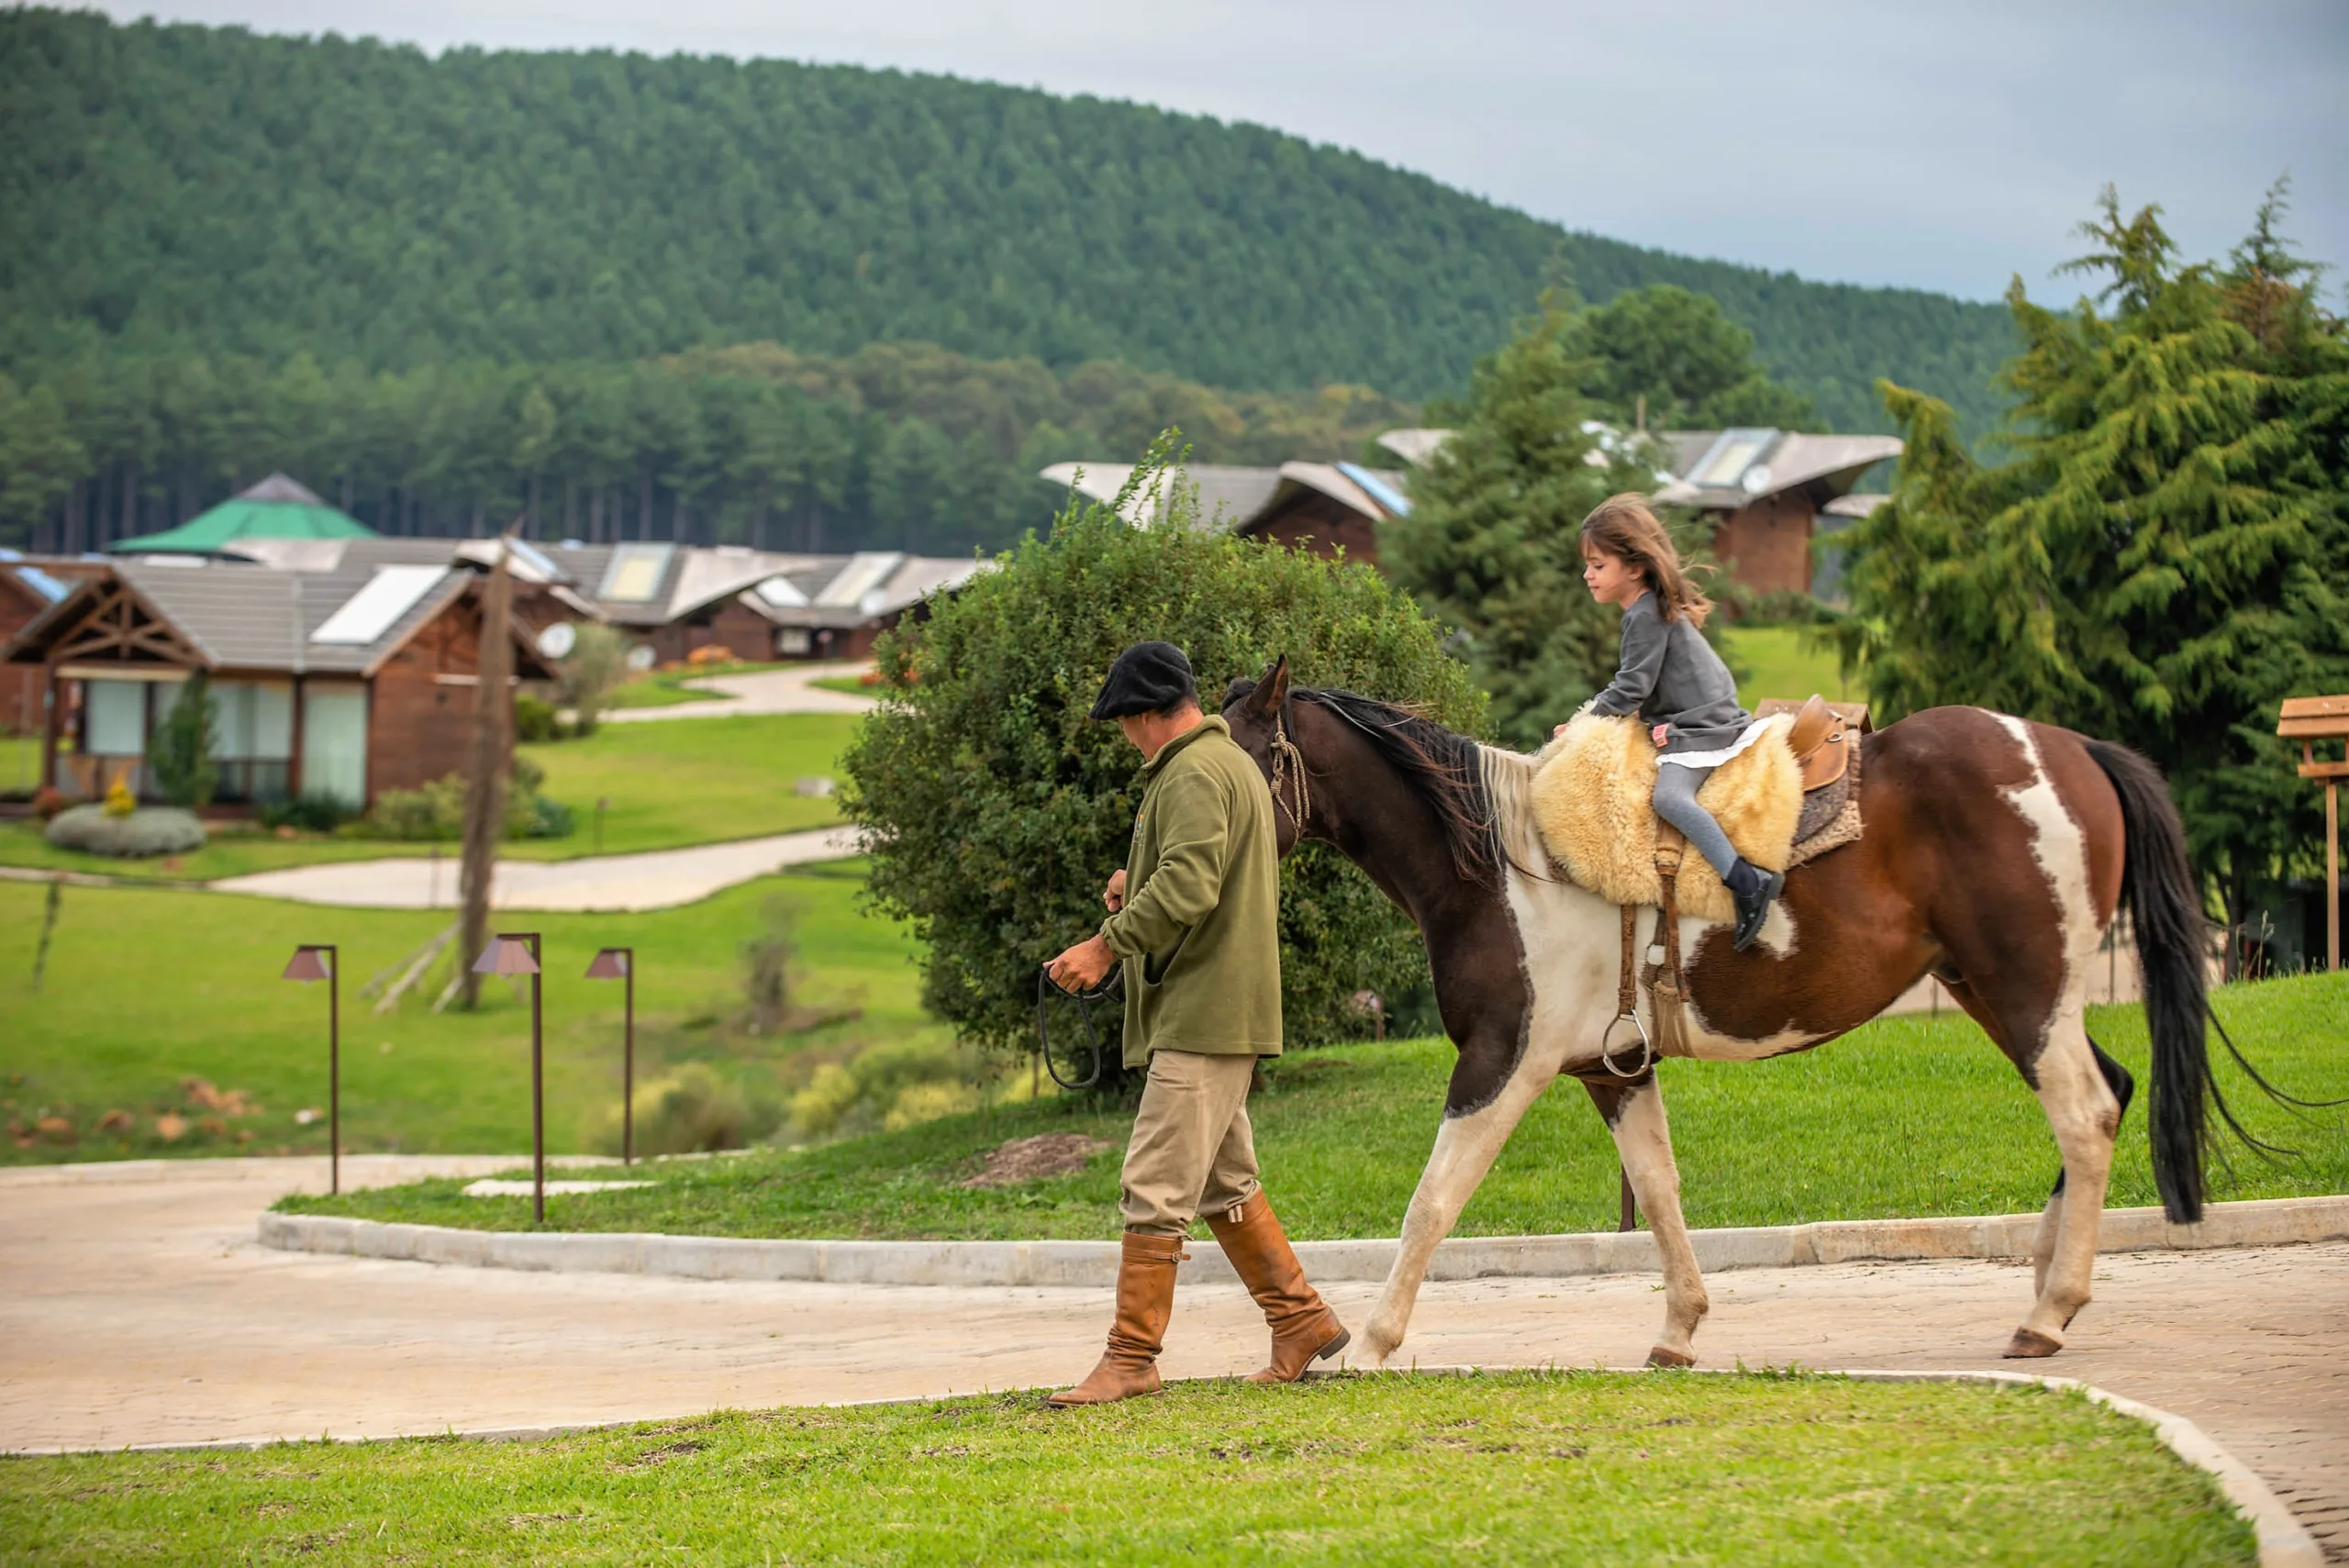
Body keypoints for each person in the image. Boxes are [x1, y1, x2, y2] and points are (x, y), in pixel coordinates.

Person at [1041, 640, 1349, 1407]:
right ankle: (1300, 1320)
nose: (1125, 734)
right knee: (1223, 1179)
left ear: (1148, 713)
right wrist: (1135, 880)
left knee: (1153, 1183)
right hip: (1223, 1006)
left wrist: (1104, 947)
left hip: (1204, 1009)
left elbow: (1190, 884)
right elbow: (1202, 868)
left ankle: (1131, 1357)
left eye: (1123, 720)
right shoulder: (1229, 763)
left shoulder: (1189, 772)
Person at [1571, 494, 1782, 951]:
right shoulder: (1646, 609)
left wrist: (1583, 723)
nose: (1587, 574)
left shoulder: (1644, 615)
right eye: (1588, 565)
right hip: (1694, 716)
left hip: (1702, 726)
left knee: (1668, 798)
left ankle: (1746, 881)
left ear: (1634, 568)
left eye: (1598, 565)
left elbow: (1632, 687)